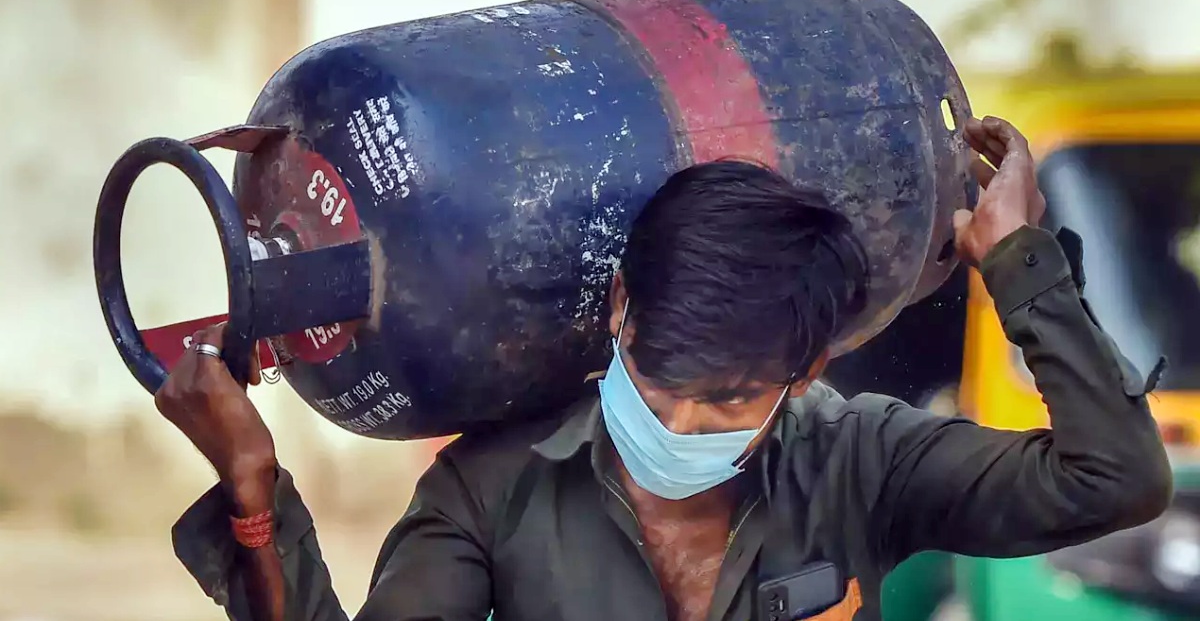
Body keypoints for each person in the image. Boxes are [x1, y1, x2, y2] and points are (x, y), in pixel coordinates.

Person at [159, 117, 1172, 621]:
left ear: (805, 370)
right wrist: (253, 493)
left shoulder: (863, 460)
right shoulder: (491, 490)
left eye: (727, 400)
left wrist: (1019, 263)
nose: (679, 426)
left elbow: (1116, 479)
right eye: (656, 380)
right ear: (620, 310)